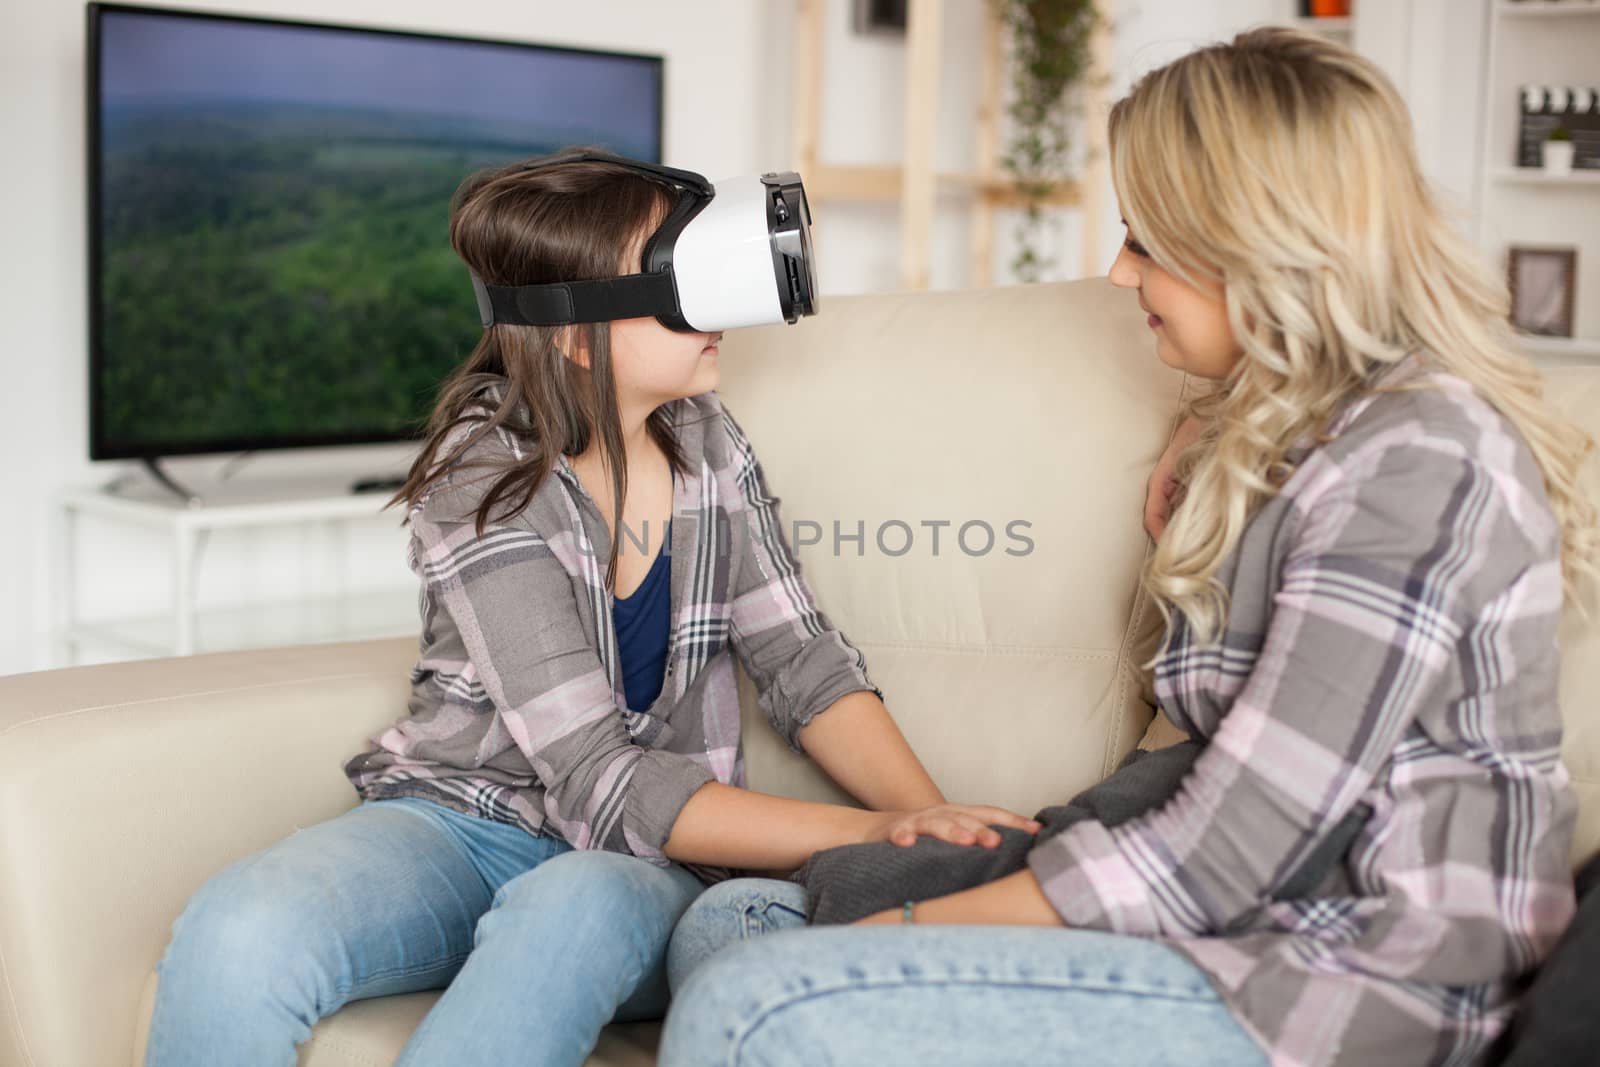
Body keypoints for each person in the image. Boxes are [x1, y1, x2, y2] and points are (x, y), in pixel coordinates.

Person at [659, 28, 1597, 1067]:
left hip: (1343, 976)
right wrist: (1216, 424)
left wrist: (904, 934)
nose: (1115, 271)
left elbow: (1227, 849)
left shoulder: (1416, 468)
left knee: (753, 1001)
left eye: (1144, 239)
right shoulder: (1306, 439)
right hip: (1231, 930)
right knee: (725, 927)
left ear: (1259, 248)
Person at [142, 152, 1038, 1067]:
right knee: (237, 930)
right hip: (462, 823)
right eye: (670, 271)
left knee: (570, 905)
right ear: (574, 333)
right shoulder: (481, 476)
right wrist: (862, 830)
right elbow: (594, 771)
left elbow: (804, 662)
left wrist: (935, 833)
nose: (712, 302)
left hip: (635, 868)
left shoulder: (709, 443)